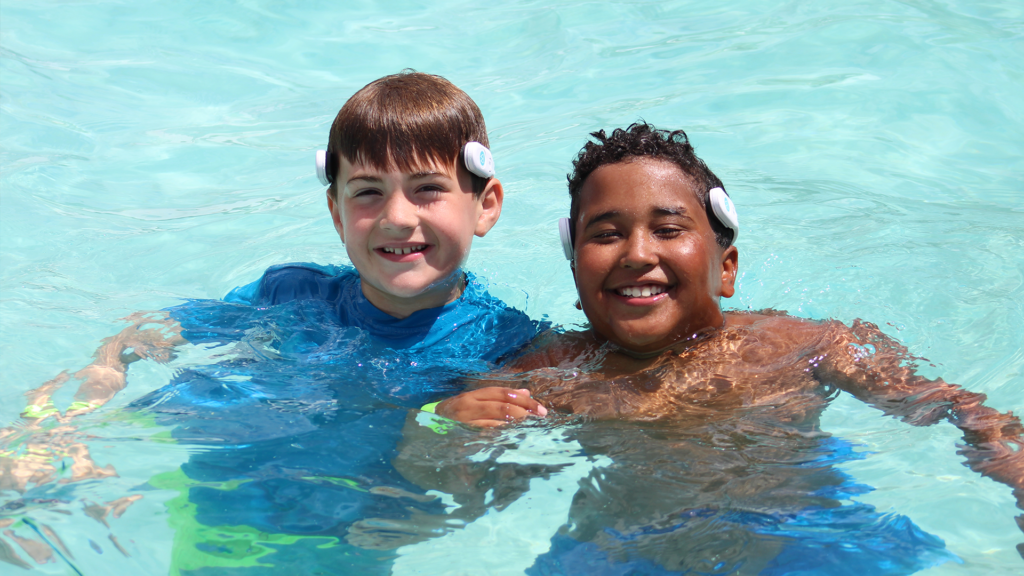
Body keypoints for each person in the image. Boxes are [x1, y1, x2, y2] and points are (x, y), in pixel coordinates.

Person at [1, 71, 541, 573]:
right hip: (217, 493)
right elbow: (148, 334)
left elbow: (497, 480)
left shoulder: (508, 344)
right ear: (336, 212)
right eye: (368, 192)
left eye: (428, 188)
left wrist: (445, 442)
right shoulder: (288, 292)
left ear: (486, 204)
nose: (398, 216)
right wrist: (95, 383)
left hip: (349, 534)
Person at [428, 122, 1023, 571]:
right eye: (606, 235)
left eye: (667, 229)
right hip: (624, 548)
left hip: (806, 534)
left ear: (727, 268)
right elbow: (463, 488)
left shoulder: (802, 343)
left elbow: (956, 409)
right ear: (579, 280)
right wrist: (441, 427)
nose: (637, 253)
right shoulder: (547, 372)